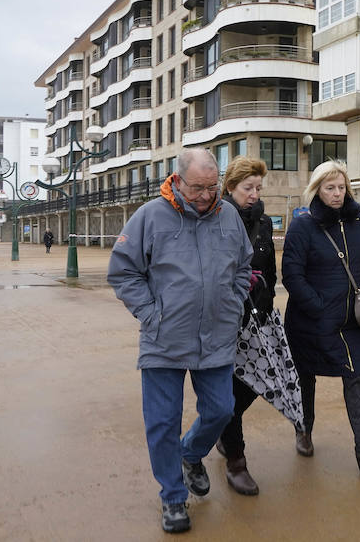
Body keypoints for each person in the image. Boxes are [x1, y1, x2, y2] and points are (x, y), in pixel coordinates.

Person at [107, 148, 253, 533]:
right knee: (162, 422)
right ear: (178, 180)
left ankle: (191, 454)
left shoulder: (229, 216)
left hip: (217, 335)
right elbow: (123, 271)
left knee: (221, 409)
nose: (207, 196)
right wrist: (151, 314)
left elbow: (243, 266)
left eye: (212, 187)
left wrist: (234, 303)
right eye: (198, 188)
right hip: (164, 339)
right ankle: (172, 497)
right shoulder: (150, 216)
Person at [281, 160, 360, 474]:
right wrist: (318, 307)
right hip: (310, 323)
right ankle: (304, 431)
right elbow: (291, 275)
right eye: (330, 188)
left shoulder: (358, 221)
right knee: (305, 378)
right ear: (317, 190)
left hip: (352, 321)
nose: (337, 193)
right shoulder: (303, 226)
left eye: (341, 187)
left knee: (357, 378)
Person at [214, 156, 277, 496]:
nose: (253, 194)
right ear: (230, 188)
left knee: (258, 383)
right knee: (226, 388)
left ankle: (220, 426)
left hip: (258, 321)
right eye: (247, 188)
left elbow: (271, 271)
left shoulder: (264, 223)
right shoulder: (216, 221)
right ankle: (236, 462)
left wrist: (266, 309)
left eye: (257, 188)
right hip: (224, 322)